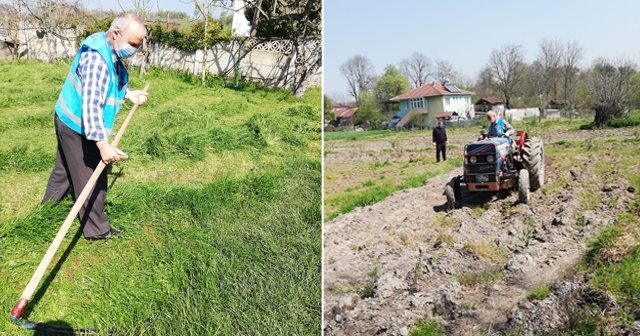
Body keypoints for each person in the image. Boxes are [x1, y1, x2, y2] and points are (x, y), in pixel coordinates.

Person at [41, 13, 149, 241]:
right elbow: (91, 106)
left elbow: (112, 78)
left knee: (64, 171)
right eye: (132, 44)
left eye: (137, 46)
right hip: (77, 125)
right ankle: (97, 231)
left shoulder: (108, 45)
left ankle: (45, 213)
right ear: (116, 34)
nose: (134, 50)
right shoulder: (96, 60)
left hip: (66, 117)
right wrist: (102, 145)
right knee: (92, 177)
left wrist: (128, 93)